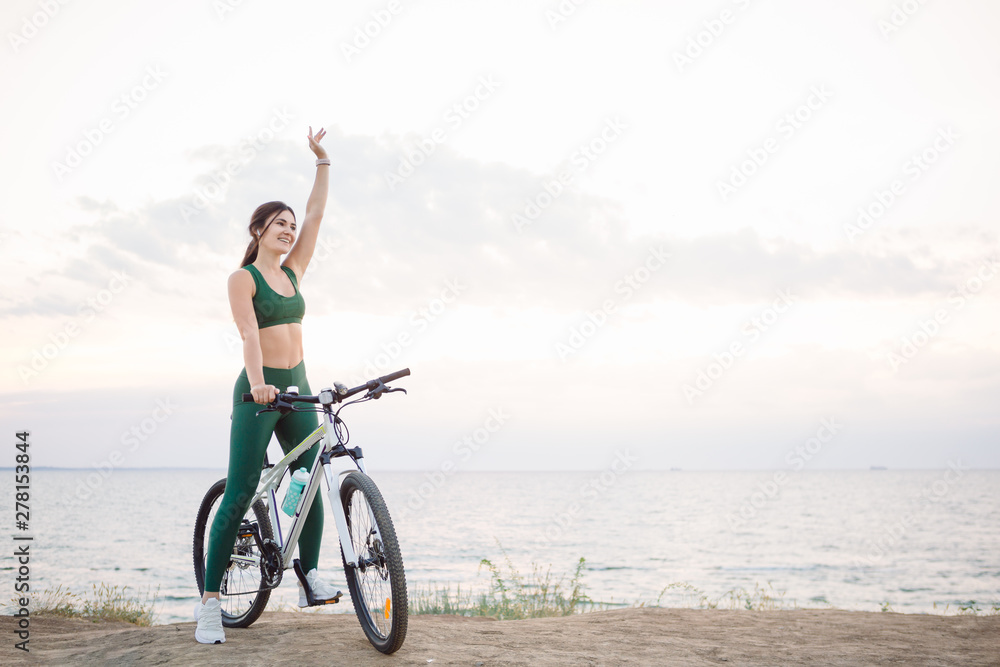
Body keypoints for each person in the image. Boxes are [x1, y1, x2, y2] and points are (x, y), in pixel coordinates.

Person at [195, 126, 340, 644]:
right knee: (237, 495)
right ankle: (210, 604)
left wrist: (322, 162)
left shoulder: (295, 272)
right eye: (279, 223)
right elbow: (249, 336)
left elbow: (318, 214)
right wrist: (258, 385)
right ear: (257, 230)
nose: (289, 229)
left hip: (298, 388)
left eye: (290, 225)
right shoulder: (245, 279)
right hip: (258, 394)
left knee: (311, 478)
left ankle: (309, 576)